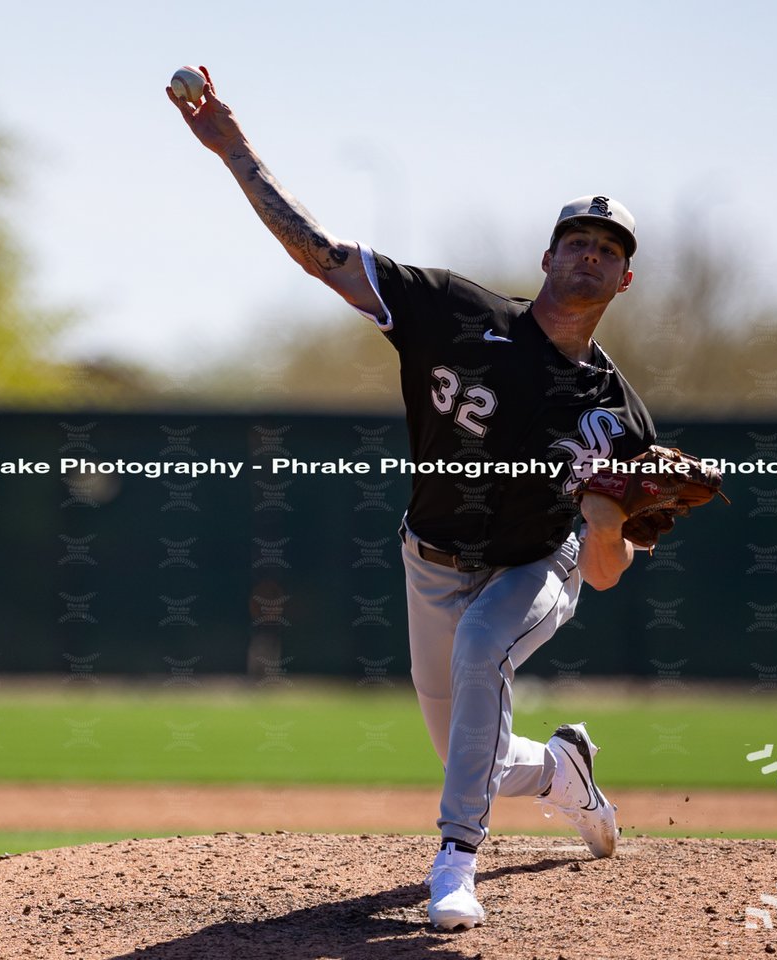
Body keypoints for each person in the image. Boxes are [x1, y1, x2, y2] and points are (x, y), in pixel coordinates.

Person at [168, 68, 656, 931]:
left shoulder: (617, 414)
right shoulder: (449, 311)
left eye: (608, 248)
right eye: (576, 239)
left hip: (536, 565)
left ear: (622, 281)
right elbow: (319, 254)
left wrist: (610, 520)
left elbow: (611, 573)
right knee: (468, 746)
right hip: (428, 558)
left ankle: (455, 862)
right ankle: (561, 772)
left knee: (481, 650)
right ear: (546, 257)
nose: (590, 252)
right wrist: (234, 150)